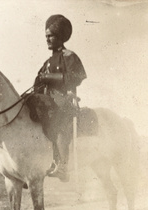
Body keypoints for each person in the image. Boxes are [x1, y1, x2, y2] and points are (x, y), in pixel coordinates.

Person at [34, 14, 87, 182]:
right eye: (46, 36)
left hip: (65, 100)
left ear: (60, 37)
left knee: (59, 120)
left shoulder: (70, 56)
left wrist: (50, 78)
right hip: (48, 101)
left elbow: (76, 77)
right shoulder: (47, 61)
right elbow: (38, 81)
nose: (48, 39)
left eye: (51, 36)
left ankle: (63, 166)